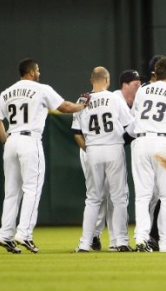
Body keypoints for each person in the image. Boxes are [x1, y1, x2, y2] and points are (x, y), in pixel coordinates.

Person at [0, 58, 88, 254]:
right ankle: (24, 234)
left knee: (11, 192)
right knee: (31, 189)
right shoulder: (41, 89)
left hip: (11, 140)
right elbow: (66, 108)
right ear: (31, 72)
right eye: (37, 70)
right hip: (30, 140)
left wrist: (6, 142)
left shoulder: (7, 92)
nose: (39, 73)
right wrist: (83, 105)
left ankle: (5, 234)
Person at [72, 67, 134, 252]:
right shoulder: (115, 98)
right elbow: (130, 126)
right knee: (119, 198)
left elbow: (76, 133)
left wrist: (89, 149)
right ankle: (121, 242)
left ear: (92, 80)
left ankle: (84, 243)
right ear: (106, 79)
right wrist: (121, 143)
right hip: (113, 148)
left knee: (92, 199)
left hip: (92, 150)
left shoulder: (82, 100)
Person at [130, 57, 166, 252]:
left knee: (142, 195)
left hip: (141, 142)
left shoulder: (142, 91)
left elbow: (135, 115)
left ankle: (140, 239)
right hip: (163, 144)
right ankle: (165, 243)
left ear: (156, 73)